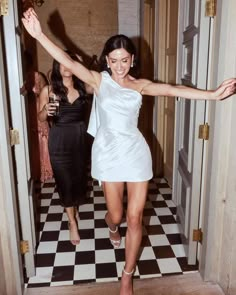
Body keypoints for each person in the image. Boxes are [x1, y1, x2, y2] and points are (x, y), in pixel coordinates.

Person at [22, 8, 236, 295]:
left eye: (125, 60)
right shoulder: (100, 81)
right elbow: (68, 61)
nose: (120, 66)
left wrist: (211, 94)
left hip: (135, 154)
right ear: (107, 61)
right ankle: (112, 227)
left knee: (135, 219)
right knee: (117, 215)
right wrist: (39, 36)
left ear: (132, 60)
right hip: (108, 155)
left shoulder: (140, 85)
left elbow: (172, 90)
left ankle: (127, 274)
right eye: (114, 60)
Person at [37, 53, 89, 246]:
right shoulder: (49, 90)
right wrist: (45, 112)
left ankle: (72, 208)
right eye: (62, 62)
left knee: (77, 180)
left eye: (71, 62)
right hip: (59, 139)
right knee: (65, 181)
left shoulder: (85, 87)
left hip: (80, 139)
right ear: (57, 65)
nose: (67, 66)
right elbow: (41, 119)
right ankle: (72, 222)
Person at [24, 67, 53, 183]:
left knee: (42, 137)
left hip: (37, 106)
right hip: (25, 108)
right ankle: (32, 172)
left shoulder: (37, 75)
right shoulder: (17, 75)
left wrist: (30, 93)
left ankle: (45, 170)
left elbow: (45, 92)